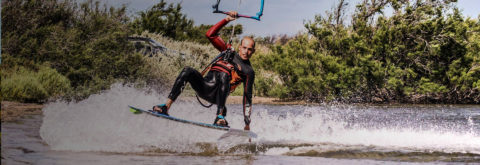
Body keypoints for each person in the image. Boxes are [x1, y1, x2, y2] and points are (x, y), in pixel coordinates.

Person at [153, 11, 255, 131]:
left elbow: (247, 98)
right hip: (204, 87)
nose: (246, 52)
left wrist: (247, 122)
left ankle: (219, 116)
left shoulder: (248, 71)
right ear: (239, 47)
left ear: (253, 51)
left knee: (224, 74)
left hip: (217, 96)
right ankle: (166, 106)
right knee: (187, 70)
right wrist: (226, 20)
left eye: (249, 49)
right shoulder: (228, 50)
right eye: (244, 48)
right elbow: (210, 35)